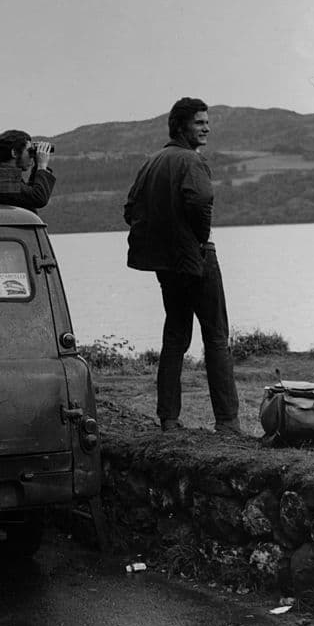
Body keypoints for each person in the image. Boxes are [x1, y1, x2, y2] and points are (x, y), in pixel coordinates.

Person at [123, 98, 240, 435]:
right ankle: (228, 422)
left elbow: (130, 210)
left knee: (175, 337)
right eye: (199, 122)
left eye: (207, 122)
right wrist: (198, 237)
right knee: (216, 336)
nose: (207, 127)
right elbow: (201, 202)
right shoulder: (192, 161)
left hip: (166, 263)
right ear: (180, 126)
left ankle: (169, 419)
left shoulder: (151, 162)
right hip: (198, 258)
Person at [0, 129, 56, 212]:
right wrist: (42, 166)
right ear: (14, 153)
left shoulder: (0, 177)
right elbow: (38, 198)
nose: (31, 156)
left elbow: (28, 195)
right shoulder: (2, 181)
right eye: (29, 151)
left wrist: (37, 167)